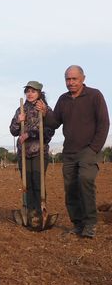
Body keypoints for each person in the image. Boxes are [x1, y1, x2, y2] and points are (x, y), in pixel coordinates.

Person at [47, 66, 110, 238]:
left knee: (85, 180)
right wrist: (45, 112)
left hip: (89, 149)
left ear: (83, 78)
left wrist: (94, 148)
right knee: (71, 188)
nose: (71, 82)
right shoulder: (63, 99)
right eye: (68, 79)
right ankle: (78, 223)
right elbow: (54, 122)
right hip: (69, 152)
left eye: (74, 79)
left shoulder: (94, 95)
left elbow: (104, 124)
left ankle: (90, 224)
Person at [9, 81, 55, 222]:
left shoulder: (46, 110)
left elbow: (49, 131)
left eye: (33, 91)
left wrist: (30, 134)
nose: (30, 94)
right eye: (28, 91)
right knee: (26, 183)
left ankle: (40, 211)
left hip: (39, 152)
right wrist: (18, 121)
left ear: (39, 93)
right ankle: (28, 211)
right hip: (23, 152)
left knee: (37, 181)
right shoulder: (20, 110)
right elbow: (13, 131)